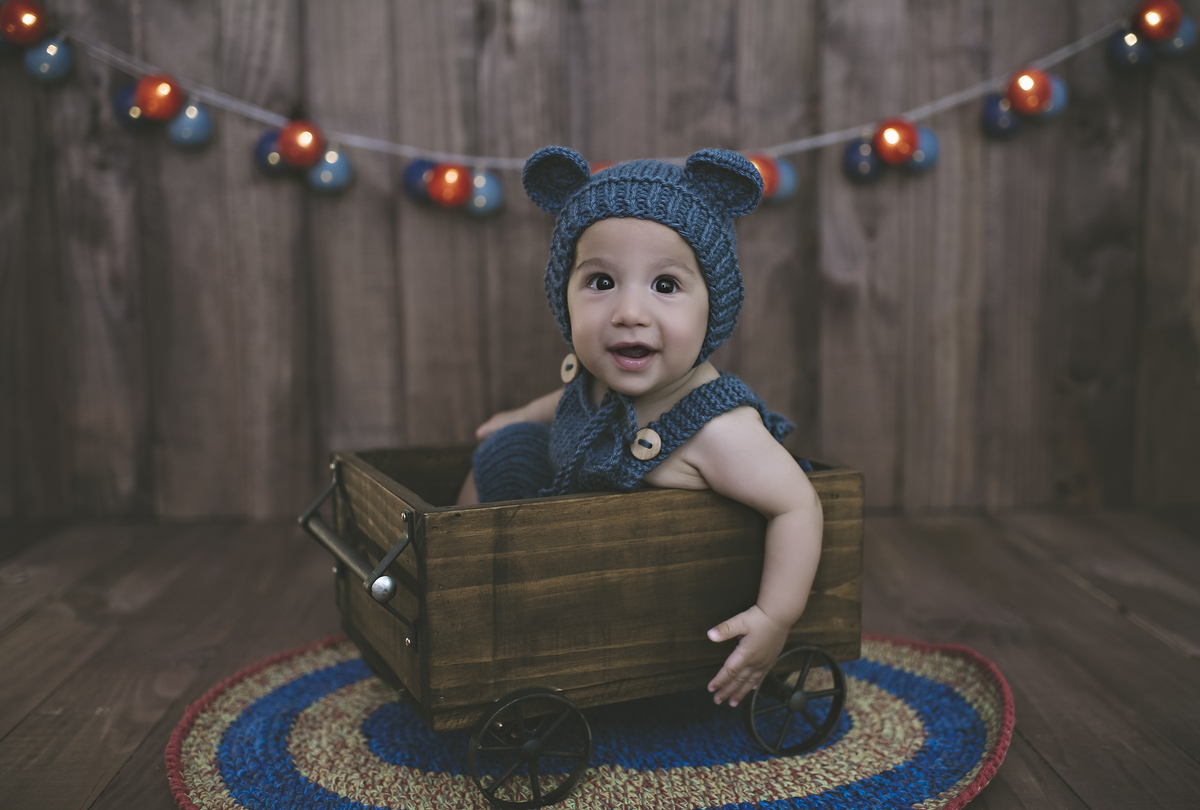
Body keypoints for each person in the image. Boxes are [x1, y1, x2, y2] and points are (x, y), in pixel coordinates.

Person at [457, 146, 823, 710]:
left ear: (713, 307)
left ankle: (483, 602)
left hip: (645, 591)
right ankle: (458, 575)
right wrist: (520, 417)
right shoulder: (601, 382)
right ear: (564, 298)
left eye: (666, 286)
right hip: (567, 560)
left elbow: (797, 505)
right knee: (506, 451)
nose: (629, 311)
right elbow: (570, 402)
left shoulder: (718, 427)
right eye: (601, 282)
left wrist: (776, 615)